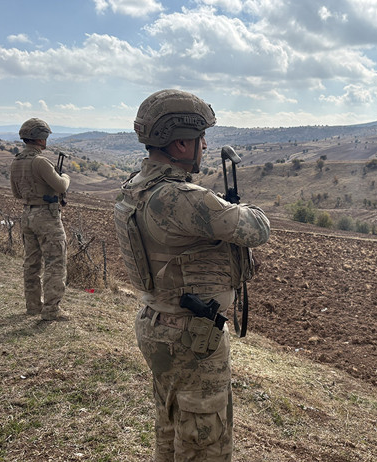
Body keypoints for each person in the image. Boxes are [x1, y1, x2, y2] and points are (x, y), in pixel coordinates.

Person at [114, 89, 270, 461]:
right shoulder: (180, 198)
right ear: (181, 142)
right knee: (205, 441)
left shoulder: (137, 186)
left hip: (158, 321)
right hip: (192, 336)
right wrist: (233, 206)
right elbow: (257, 228)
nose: (205, 145)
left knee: (170, 427)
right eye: (201, 138)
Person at [10, 118, 71, 321]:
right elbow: (61, 186)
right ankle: (52, 310)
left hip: (27, 214)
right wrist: (66, 177)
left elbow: (16, 193)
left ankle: (33, 306)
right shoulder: (41, 162)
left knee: (31, 263)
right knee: (55, 262)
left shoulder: (16, 162)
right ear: (41, 138)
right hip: (47, 216)